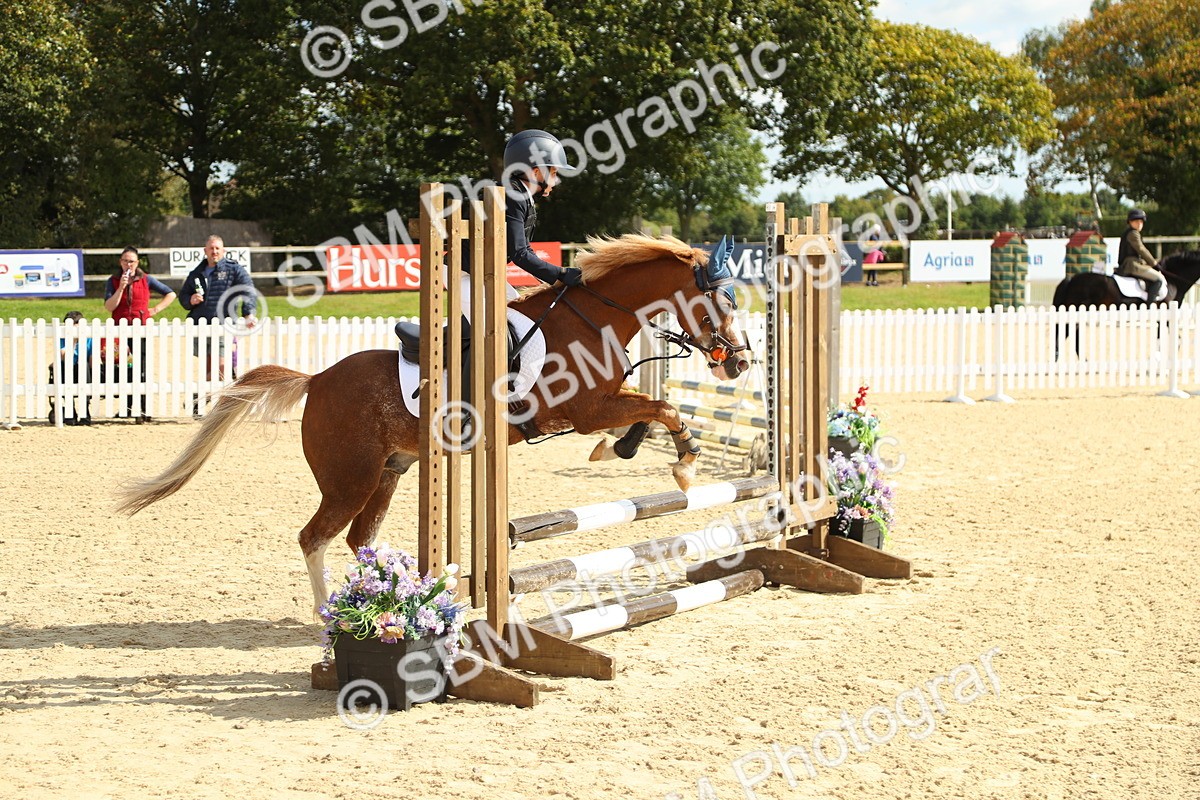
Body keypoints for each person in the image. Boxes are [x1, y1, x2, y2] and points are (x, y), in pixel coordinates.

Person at [179, 235, 257, 414]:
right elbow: (183, 297)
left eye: (217, 248)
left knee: (222, 369)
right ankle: (201, 404)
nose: (214, 251)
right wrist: (190, 300)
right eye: (211, 248)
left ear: (224, 250)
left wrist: (248, 312)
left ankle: (197, 399)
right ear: (205, 251)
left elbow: (248, 289)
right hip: (201, 325)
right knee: (210, 369)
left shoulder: (233, 269)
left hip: (224, 326)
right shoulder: (196, 273)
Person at [501, 129, 584, 289]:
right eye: (553, 173)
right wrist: (561, 273)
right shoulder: (513, 197)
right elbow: (519, 254)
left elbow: (525, 250)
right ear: (536, 173)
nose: (555, 181)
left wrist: (554, 278)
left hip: (483, 273)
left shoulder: (522, 197)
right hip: (464, 272)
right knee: (514, 314)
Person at [103, 246, 177, 423]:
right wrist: (120, 288)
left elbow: (171, 293)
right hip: (120, 329)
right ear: (120, 262)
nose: (128, 264)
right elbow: (109, 307)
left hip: (141, 329)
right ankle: (126, 407)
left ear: (137, 263)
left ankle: (143, 408)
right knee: (123, 367)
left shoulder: (146, 279)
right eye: (125, 261)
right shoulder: (113, 280)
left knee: (141, 367)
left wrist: (155, 309)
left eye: (131, 261)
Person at [47, 311, 95, 426]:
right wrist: (72, 340)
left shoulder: (89, 338)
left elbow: (92, 359)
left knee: (83, 367)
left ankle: (85, 414)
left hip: (83, 370)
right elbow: (63, 355)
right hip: (67, 369)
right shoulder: (62, 337)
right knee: (64, 367)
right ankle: (70, 414)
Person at [1116, 209, 1163, 303]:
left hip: (1133, 263)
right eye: (1136, 221)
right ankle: (1150, 306)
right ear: (1130, 222)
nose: (1139, 224)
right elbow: (1141, 250)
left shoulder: (1129, 232)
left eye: (1141, 221)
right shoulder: (1133, 233)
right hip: (1132, 265)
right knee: (1159, 279)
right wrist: (1154, 263)